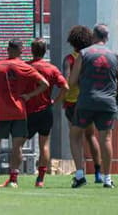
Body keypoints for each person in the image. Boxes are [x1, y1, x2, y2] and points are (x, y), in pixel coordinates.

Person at [0, 40, 48, 188]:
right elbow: (45, 84)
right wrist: (29, 95)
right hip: (19, 111)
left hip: (2, 112)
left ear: (8, 50)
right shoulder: (25, 67)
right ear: (20, 50)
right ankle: (13, 180)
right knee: (17, 147)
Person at [69, 24, 118, 189]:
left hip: (86, 100)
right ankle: (107, 178)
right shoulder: (114, 55)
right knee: (105, 139)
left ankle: (79, 175)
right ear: (106, 38)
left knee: (75, 134)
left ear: (93, 36)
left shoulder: (84, 53)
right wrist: (113, 93)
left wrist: (84, 86)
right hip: (108, 103)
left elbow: (71, 81)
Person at [63, 25, 103, 184]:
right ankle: (98, 173)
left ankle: (80, 173)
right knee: (91, 136)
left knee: (75, 138)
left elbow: (67, 80)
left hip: (73, 102)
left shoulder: (70, 58)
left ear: (72, 42)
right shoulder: (90, 56)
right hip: (89, 99)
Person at [25, 38, 68, 188]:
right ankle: (41, 179)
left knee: (18, 143)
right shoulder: (51, 69)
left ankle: (13, 177)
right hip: (45, 111)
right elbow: (65, 87)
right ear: (45, 51)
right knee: (44, 145)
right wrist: (55, 101)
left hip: (28, 111)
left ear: (31, 50)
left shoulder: (25, 67)